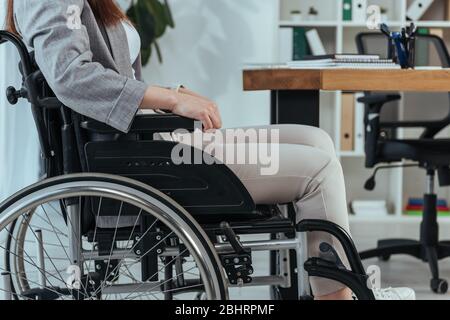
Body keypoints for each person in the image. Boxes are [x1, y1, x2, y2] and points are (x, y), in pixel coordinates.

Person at [6, 0, 415, 300]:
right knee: (317, 169)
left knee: (315, 139)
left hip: (144, 144)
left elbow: (105, 74)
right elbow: (71, 77)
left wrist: (172, 96)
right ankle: (338, 297)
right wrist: (169, 100)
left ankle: (337, 282)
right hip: (129, 161)